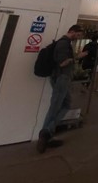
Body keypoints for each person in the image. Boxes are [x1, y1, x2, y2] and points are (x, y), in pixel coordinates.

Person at [37, 24, 86, 154]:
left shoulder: (64, 43)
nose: (78, 37)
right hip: (61, 78)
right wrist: (77, 57)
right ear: (72, 31)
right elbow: (62, 62)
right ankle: (46, 133)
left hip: (60, 78)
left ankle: (48, 133)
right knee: (55, 106)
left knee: (65, 104)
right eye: (78, 35)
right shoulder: (64, 44)